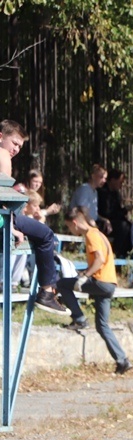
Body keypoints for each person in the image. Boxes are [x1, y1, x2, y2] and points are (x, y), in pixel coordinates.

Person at [0, 119, 68, 314]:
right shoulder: (2, 154)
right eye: (14, 143)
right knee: (46, 235)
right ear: (0, 137)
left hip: (5, 215)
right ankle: (47, 292)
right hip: (3, 218)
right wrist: (10, 228)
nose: (16, 150)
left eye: (20, 147)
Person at [56, 207, 133, 374]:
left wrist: (85, 277)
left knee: (61, 284)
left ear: (75, 223)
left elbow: (99, 259)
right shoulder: (98, 233)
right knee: (102, 325)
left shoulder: (91, 235)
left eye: (69, 226)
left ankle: (79, 318)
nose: (70, 230)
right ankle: (122, 360)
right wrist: (84, 274)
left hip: (100, 282)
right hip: (109, 284)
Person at [98, 170, 133, 257]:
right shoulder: (102, 192)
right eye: (120, 182)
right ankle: (118, 253)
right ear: (113, 180)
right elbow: (107, 212)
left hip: (115, 221)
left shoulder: (116, 194)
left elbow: (117, 211)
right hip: (103, 222)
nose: (121, 185)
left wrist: (124, 210)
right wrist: (123, 211)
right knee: (123, 227)